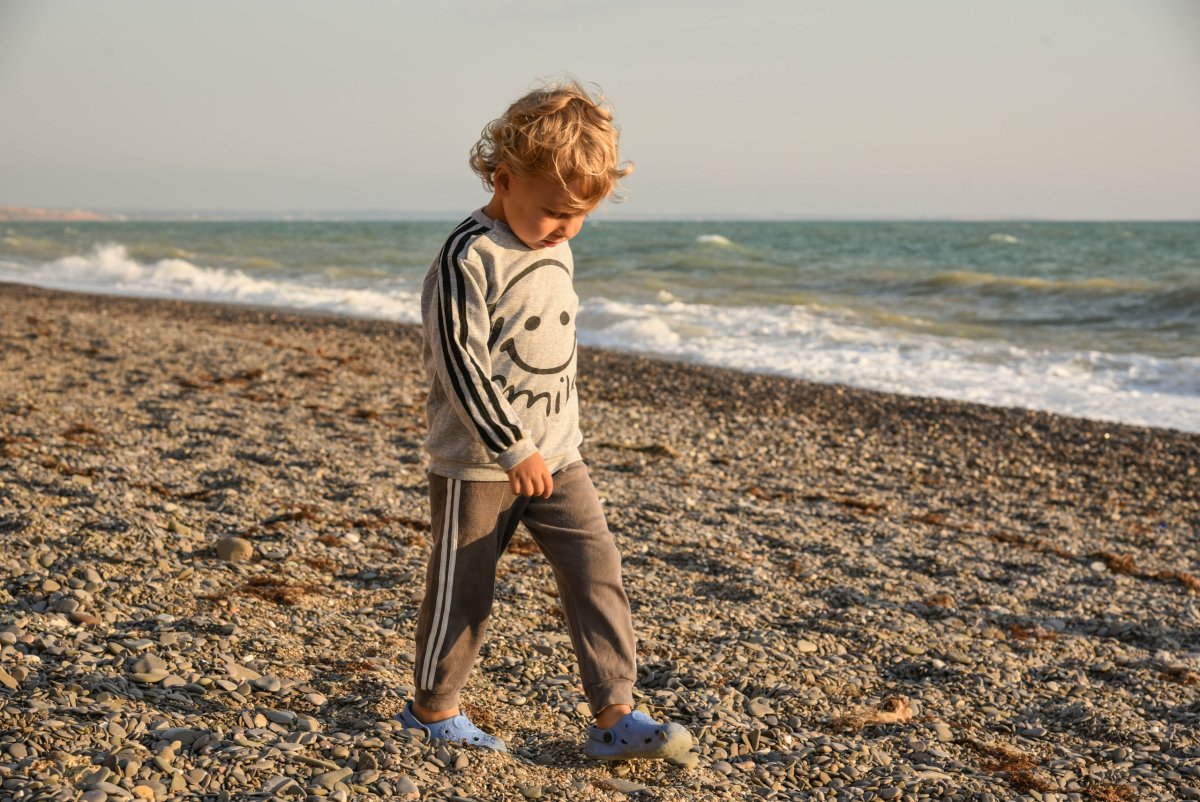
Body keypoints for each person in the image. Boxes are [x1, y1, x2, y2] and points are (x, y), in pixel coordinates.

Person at [397, 79, 692, 762]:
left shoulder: (554, 243)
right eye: (554, 212)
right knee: (463, 585)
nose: (564, 229)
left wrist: (548, 443)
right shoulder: (469, 255)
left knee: (596, 568)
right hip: (480, 461)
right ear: (504, 180)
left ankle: (614, 714)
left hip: (560, 455)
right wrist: (510, 447)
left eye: (579, 217)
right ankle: (432, 711)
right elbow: (459, 364)